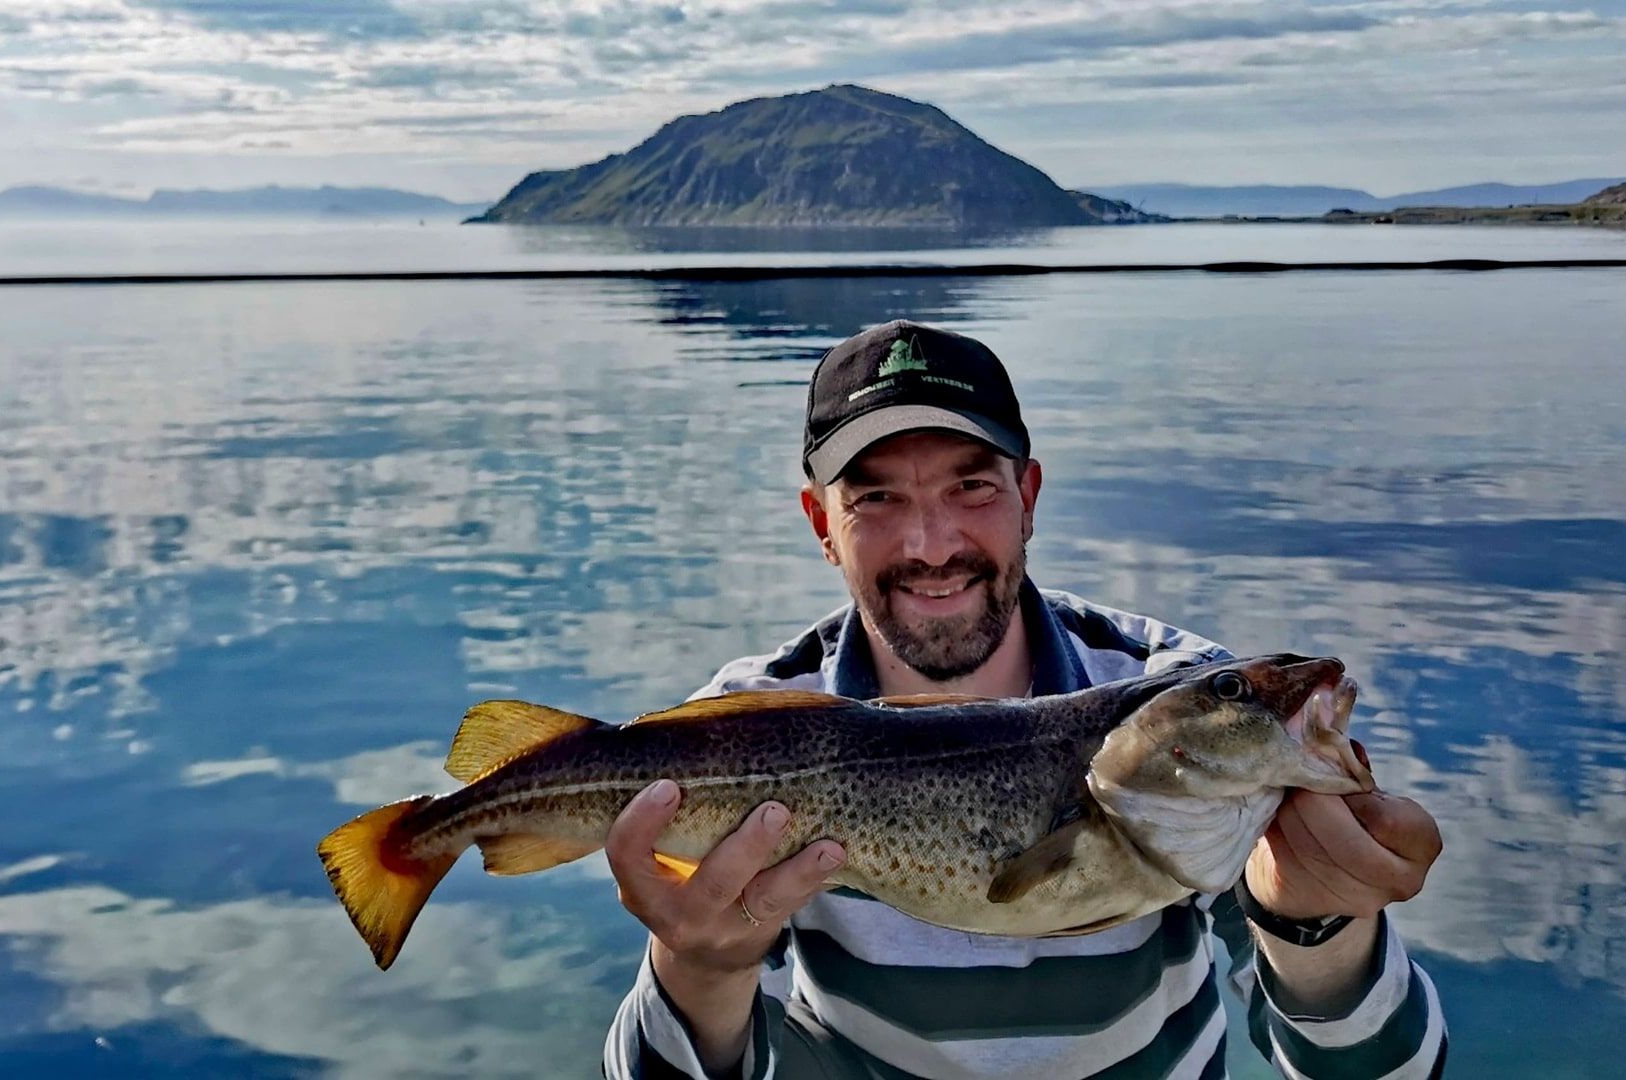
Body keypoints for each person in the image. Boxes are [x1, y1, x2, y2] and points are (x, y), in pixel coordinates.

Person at [600, 321, 1446, 1079]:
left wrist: (1318, 925)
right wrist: (703, 971)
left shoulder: (1188, 698)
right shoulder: (742, 729)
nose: (931, 546)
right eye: (877, 499)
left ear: (1028, 497)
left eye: (972, 488)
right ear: (823, 525)